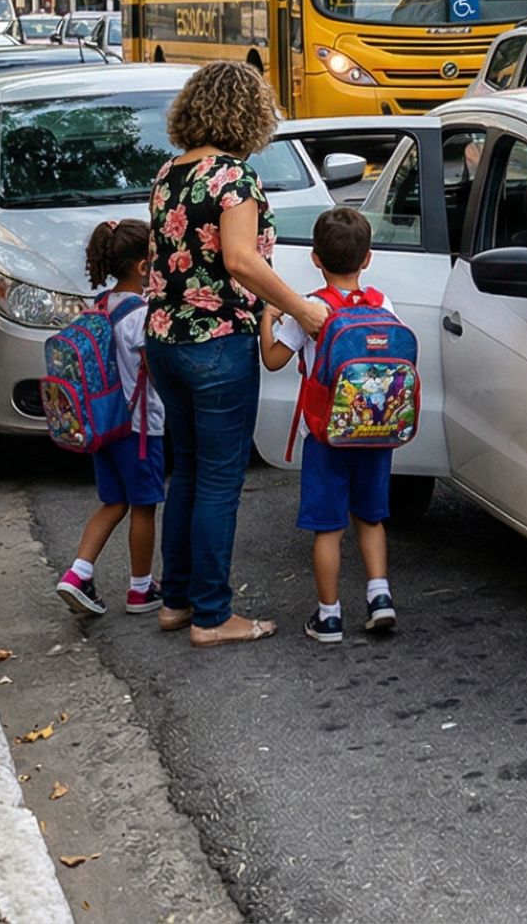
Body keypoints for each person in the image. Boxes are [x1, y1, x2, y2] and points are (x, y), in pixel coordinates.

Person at [145, 61, 328, 648]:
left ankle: (176, 601)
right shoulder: (234, 179)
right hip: (216, 345)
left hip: (165, 341)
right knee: (220, 481)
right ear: (247, 115)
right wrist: (302, 309)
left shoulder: (169, 172)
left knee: (189, 472)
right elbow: (241, 261)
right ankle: (212, 615)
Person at [257, 207, 399, 645]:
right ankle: (380, 597)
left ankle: (329, 615)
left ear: (315, 258)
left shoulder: (311, 309)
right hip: (375, 432)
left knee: (328, 527)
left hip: (325, 436)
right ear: (368, 258)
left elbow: (273, 360)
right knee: (371, 518)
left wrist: (269, 318)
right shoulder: (383, 303)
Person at [52, 220, 161, 617]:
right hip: (140, 427)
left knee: (113, 503)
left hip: (104, 423)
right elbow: (154, 366)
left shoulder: (102, 305)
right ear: (142, 267)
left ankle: (78, 572)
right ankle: (140, 589)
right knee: (145, 506)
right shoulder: (143, 315)